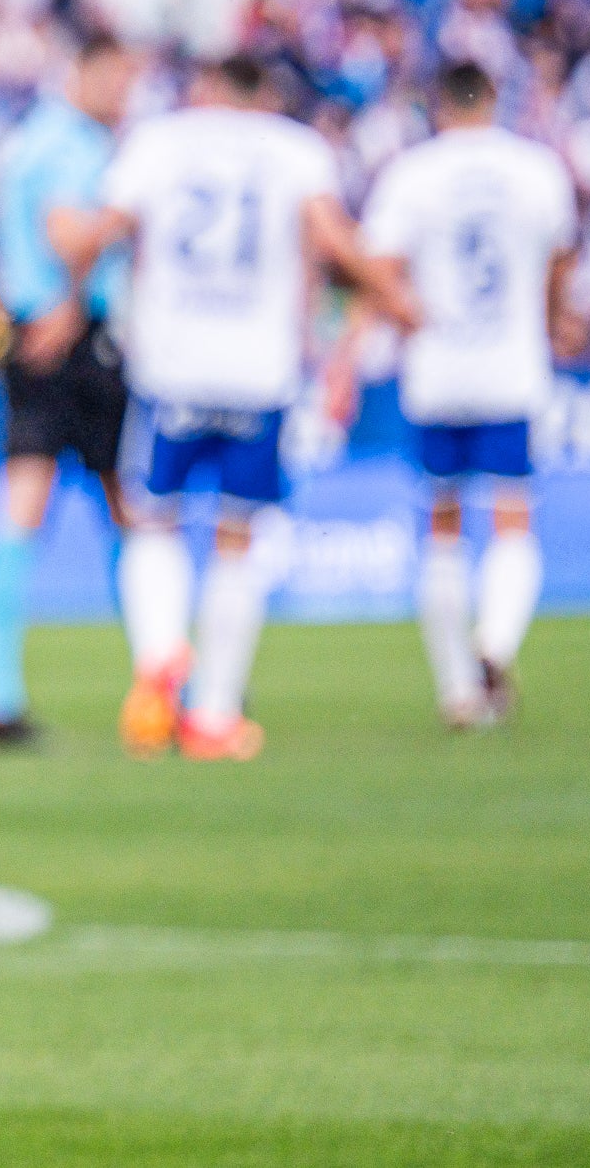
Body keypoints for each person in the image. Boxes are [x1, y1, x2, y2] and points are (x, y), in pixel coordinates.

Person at [59, 54, 402, 761]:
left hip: (170, 366)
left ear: (209, 88)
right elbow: (334, 240)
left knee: (153, 520)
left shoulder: (160, 141)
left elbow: (108, 230)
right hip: (258, 370)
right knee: (238, 538)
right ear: (267, 93)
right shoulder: (295, 150)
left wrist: (71, 271)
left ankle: (160, 655)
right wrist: (397, 298)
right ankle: (214, 714)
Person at [359, 61, 579, 727]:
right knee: (513, 515)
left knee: (443, 523)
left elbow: (378, 267)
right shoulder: (537, 170)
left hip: (438, 370)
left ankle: (459, 688)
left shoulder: (414, 173)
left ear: (438, 105)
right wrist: (549, 322)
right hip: (512, 367)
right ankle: (495, 642)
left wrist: (403, 311)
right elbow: (560, 263)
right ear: (493, 98)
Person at [0, 32, 141, 743]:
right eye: (120, 79)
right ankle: (167, 679)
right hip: (72, 342)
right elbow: (68, 236)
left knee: (22, 509)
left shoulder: (32, 137)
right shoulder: (74, 144)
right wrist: (74, 295)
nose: (125, 95)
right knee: (130, 510)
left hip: (28, 333)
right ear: (90, 73)